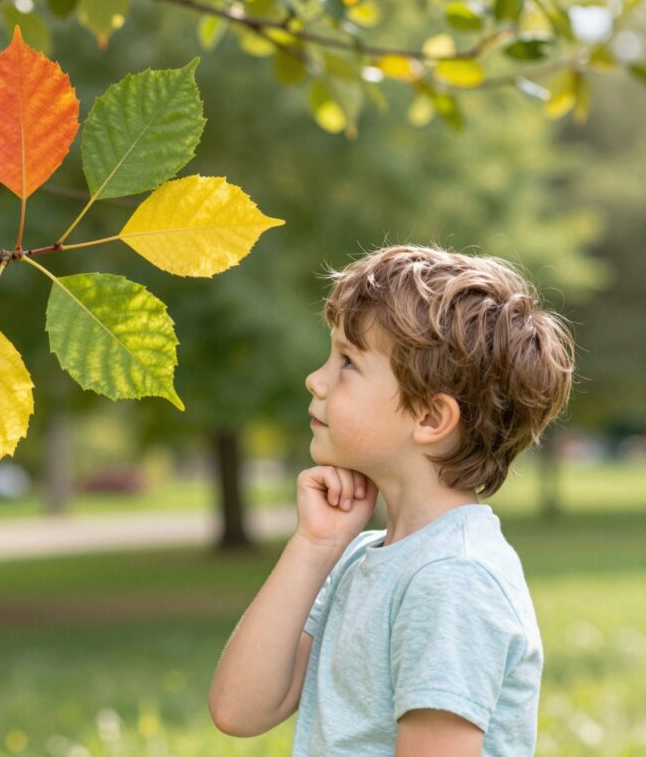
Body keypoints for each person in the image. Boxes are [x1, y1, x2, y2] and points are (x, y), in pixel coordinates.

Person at [208, 244, 575, 756]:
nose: (315, 379)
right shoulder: (365, 557)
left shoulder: (453, 577)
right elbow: (239, 710)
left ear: (429, 418)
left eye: (348, 362)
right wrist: (315, 545)